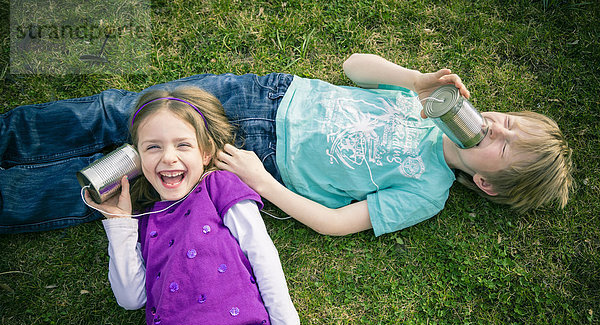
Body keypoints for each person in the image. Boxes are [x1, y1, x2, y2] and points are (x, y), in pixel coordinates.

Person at [0, 54, 573, 235]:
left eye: (503, 143)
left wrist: (260, 183)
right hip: (264, 98)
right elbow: (354, 65)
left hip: (256, 159)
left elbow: (335, 221)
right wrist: (417, 81)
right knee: (117, 112)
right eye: (505, 119)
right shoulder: (420, 103)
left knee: (118, 178)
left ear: (486, 182)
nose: (495, 126)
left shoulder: (429, 192)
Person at [86, 87, 321, 325]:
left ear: (206, 153)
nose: (168, 157)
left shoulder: (219, 186)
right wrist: (118, 223)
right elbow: (131, 297)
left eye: (183, 145)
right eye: (153, 147)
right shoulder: (143, 223)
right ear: (136, 160)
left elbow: (265, 260)